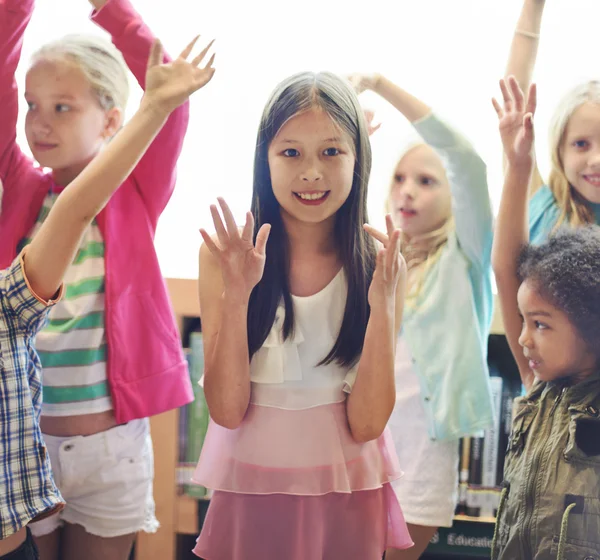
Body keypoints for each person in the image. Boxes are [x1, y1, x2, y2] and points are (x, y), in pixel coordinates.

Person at [0, 0, 206, 556]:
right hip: (25, 445)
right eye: (32, 105)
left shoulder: (135, 192)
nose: (39, 122)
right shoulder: (21, 187)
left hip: (110, 450)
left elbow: (167, 100)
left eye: (63, 107)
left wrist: (109, 9)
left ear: (113, 120)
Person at [192, 71, 414, 559]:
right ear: (263, 161)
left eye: (332, 152)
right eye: (290, 152)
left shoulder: (379, 265)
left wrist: (384, 306)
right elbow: (227, 410)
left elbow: (369, 422)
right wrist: (238, 293)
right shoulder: (224, 257)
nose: (311, 172)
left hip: (346, 491)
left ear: (360, 160)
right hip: (253, 488)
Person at [350, 73, 495, 559]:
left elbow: (467, 162)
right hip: (360, 439)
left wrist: (379, 84)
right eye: (399, 178)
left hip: (423, 449)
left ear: (454, 196)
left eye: (427, 181)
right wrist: (350, 141)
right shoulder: (375, 257)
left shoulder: (466, 257)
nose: (407, 191)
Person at [491, 75, 600, 560]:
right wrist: (517, 164)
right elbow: (506, 267)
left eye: (542, 323)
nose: (525, 338)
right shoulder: (535, 395)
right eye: (581, 143)